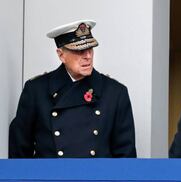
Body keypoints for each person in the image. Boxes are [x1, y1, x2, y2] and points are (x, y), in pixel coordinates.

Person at [9, 20, 137, 158]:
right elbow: (19, 154)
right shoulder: (36, 91)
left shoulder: (115, 93)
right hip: (51, 178)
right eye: (79, 50)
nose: (87, 56)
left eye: (90, 49)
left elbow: (125, 159)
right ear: (61, 54)